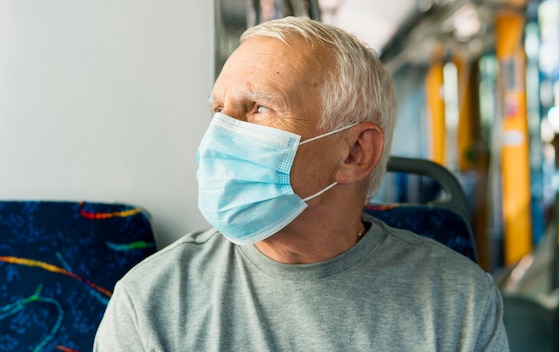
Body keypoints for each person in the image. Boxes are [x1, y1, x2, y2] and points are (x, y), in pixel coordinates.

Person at [94, 16, 509, 351]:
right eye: (219, 110)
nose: (218, 135)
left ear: (354, 153)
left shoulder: (458, 303)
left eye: (258, 108)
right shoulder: (150, 304)